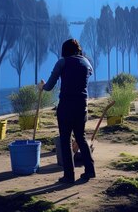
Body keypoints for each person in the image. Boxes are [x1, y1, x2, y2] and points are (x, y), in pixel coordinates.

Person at [38, 39, 95, 184]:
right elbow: (89, 74)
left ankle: (69, 176)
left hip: (66, 106)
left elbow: (50, 86)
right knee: (81, 138)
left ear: (65, 50)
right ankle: (90, 170)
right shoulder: (87, 63)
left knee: (65, 140)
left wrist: (42, 87)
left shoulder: (62, 62)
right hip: (82, 106)